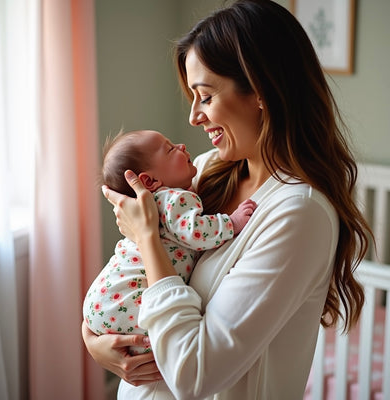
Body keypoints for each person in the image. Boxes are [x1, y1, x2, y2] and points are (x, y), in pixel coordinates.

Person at [82, 1, 373, 399]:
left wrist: (147, 235)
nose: (193, 118)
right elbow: (126, 280)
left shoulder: (298, 214)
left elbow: (194, 376)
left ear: (261, 92)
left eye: (204, 96)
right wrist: (94, 341)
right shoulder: (206, 169)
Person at [83, 129, 257, 354]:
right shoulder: (174, 199)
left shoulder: (160, 202)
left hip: (104, 301)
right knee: (164, 337)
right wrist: (231, 222)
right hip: (124, 299)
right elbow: (195, 232)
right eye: (170, 149)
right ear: (149, 180)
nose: (182, 146)